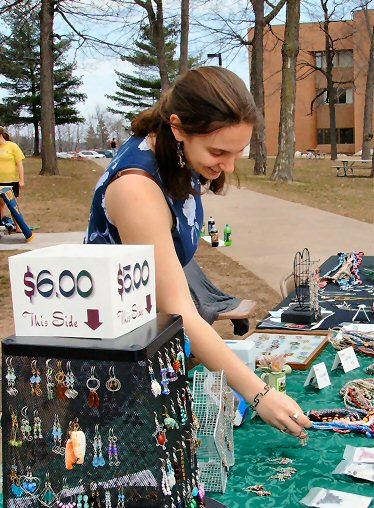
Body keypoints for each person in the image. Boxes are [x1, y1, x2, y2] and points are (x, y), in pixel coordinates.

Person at [85, 67, 311, 439]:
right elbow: (178, 310)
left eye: (238, 152)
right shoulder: (136, 190)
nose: (228, 166)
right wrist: (259, 393)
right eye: (219, 152)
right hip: (120, 360)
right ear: (178, 128)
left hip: (156, 341)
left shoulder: (175, 155)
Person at [0, 126, 25, 233]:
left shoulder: (12, 146)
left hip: (11, 181)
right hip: (0, 180)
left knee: (12, 205)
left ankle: (18, 227)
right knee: (0, 204)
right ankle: (1, 226)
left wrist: (21, 179)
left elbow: (20, 164)